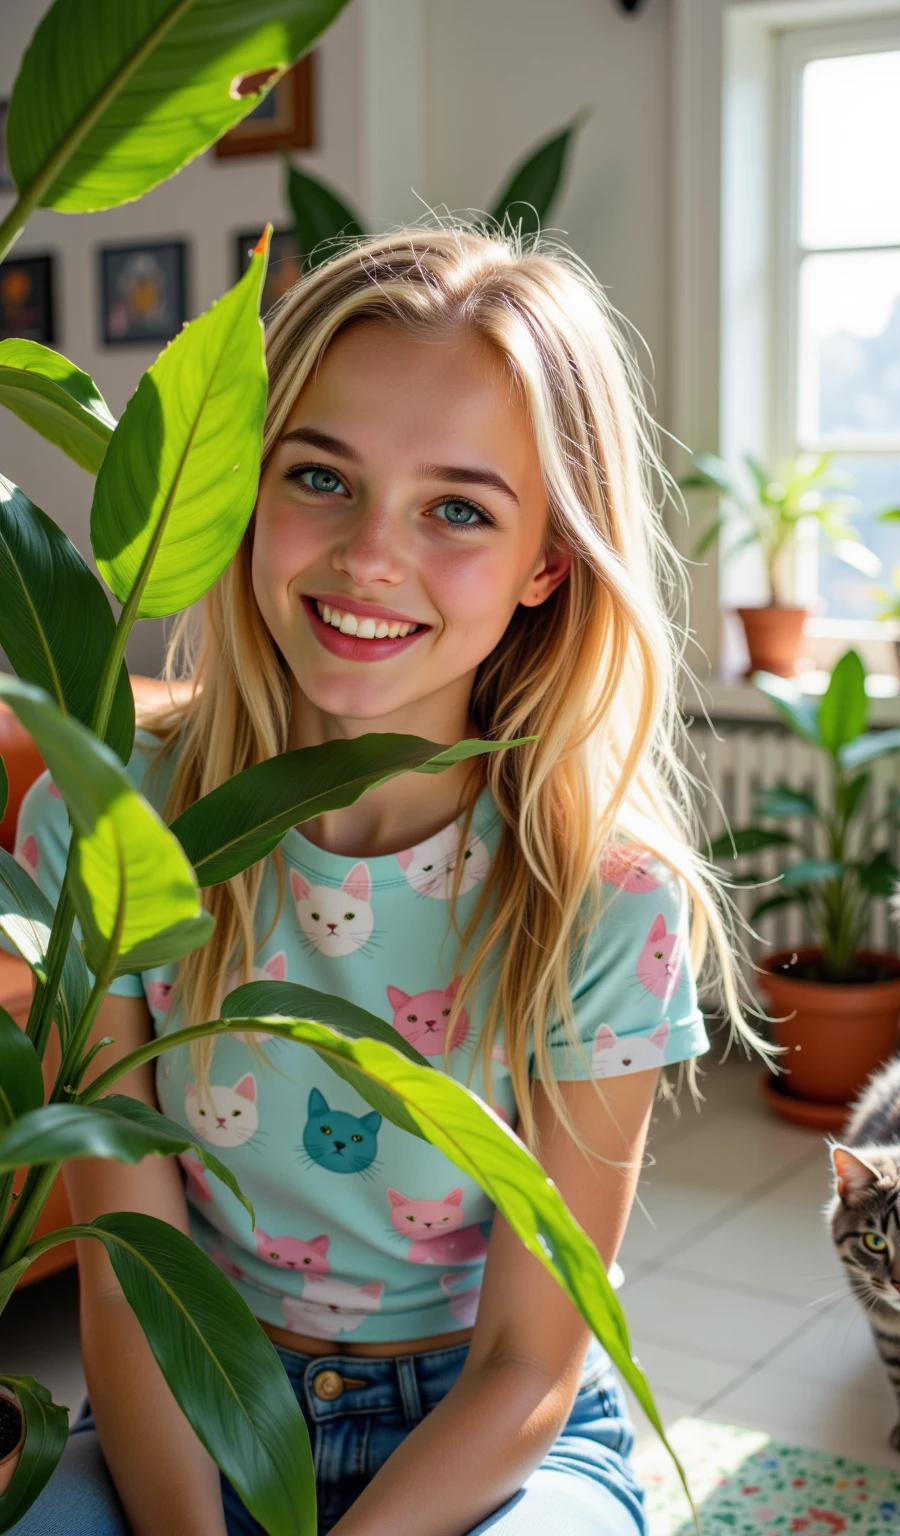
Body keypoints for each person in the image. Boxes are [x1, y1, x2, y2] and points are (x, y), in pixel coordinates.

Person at [15, 226, 765, 1536]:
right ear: (247, 487)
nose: (371, 556)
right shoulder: (107, 814)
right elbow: (129, 1280)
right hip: (194, 1399)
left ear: (549, 563)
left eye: (459, 508)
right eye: (322, 476)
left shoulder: (605, 895)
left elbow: (531, 1362)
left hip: (488, 1430)